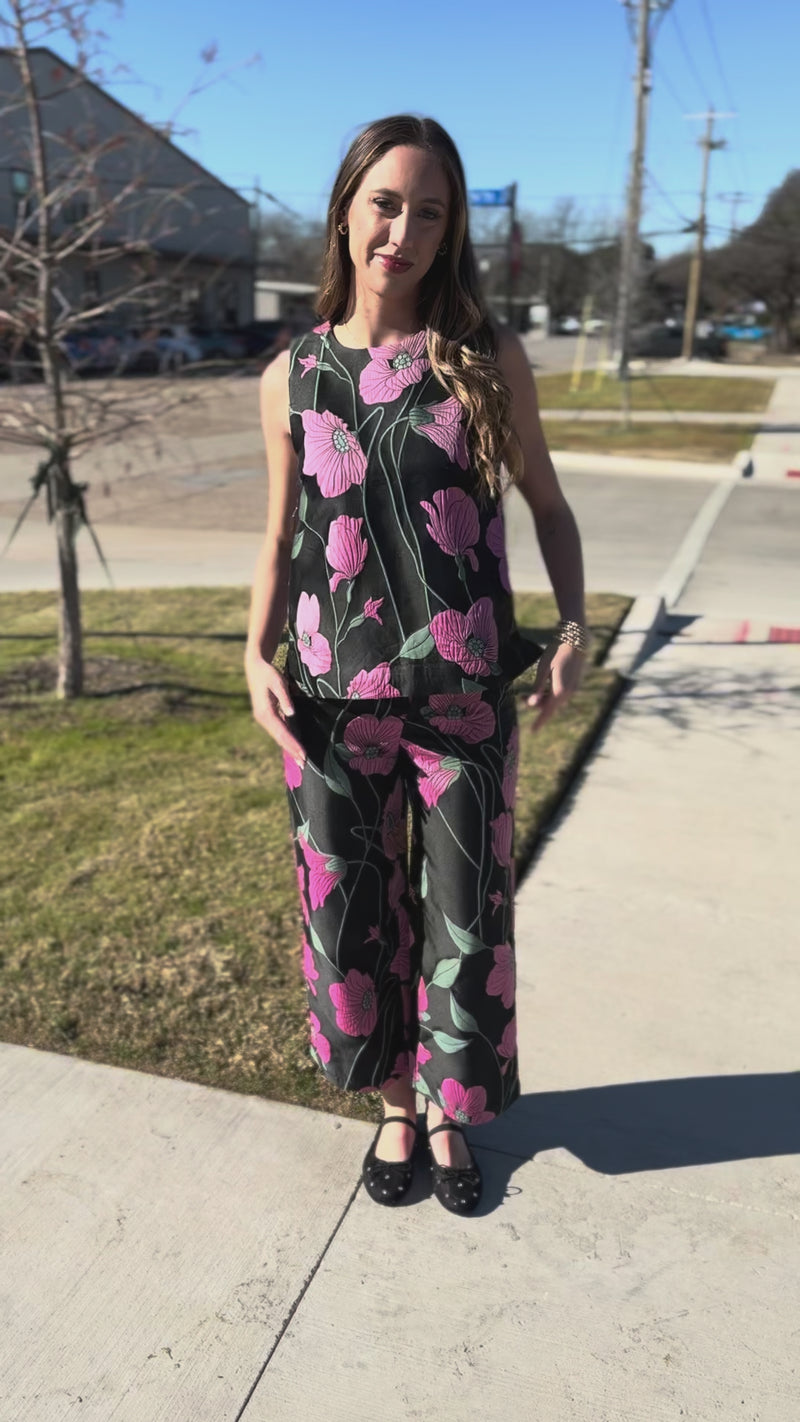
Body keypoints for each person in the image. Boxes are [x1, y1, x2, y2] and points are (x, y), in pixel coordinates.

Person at [244, 114, 589, 1214]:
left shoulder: (482, 358)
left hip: (462, 697)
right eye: (384, 202)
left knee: (464, 916)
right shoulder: (292, 373)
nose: (402, 227)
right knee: (350, 913)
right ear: (346, 208)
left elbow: (547, 507)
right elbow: (282, 528)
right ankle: (394, 1101)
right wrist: (253, 651)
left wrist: (570, 629)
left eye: (428, 209)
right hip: (328, 697)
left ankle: (452, 1110)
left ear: (451, 230)